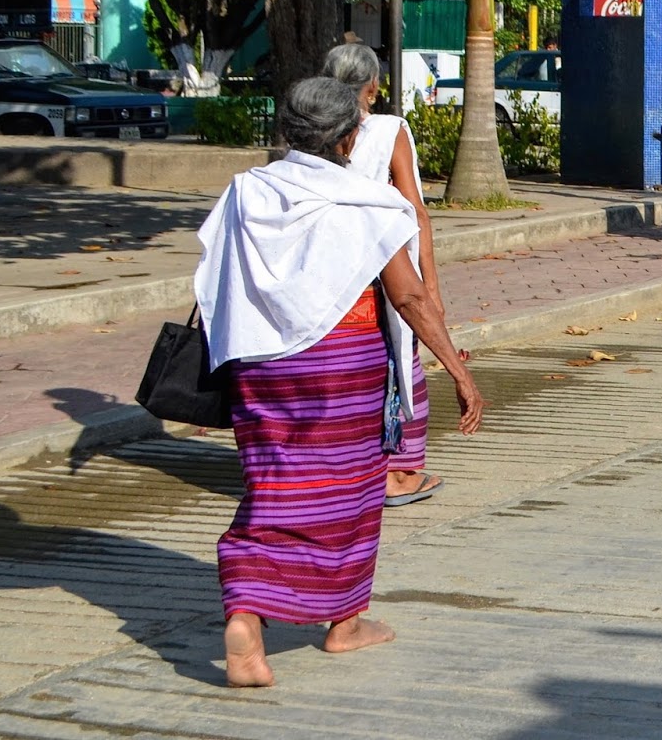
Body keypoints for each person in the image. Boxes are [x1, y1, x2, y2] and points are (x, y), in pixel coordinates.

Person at [195, 77, 486, 688]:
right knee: (348, 493)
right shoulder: (363, 201)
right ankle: (345, 621)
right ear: (351, 138)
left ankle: (247, 613)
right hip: (341, 367)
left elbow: (215, 277)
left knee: (274, 484)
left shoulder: (247, 191)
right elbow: (407, 294)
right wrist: (459, 372)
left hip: (260, 364)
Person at [323, 43, 448, 508]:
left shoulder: (311, 129)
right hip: (381, 268)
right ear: (372, 89)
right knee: (401, 364)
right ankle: (397, 474)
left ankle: (345, 471)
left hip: (327, 271)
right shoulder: (388, 129)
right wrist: (430, 287)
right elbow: (415, 209)